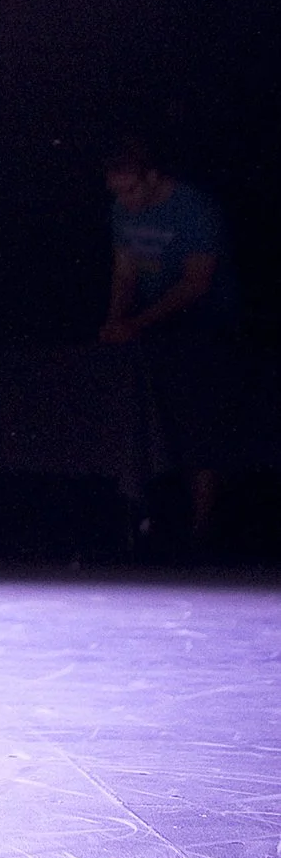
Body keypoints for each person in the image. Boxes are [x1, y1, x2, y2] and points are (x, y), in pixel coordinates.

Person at [99, 137, 245, 549]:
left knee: (201, 424)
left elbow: (196, 283)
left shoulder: (194, 209)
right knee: (149, 420)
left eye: (130, 190)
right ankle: (148, 522)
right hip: (152, 329)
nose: (124, 202)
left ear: (153, 177)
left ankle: (203, 527)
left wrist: (136, 324)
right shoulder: (121, 209)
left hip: (207, 325)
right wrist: (114, 321)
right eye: (116, 192)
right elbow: (125, 272)